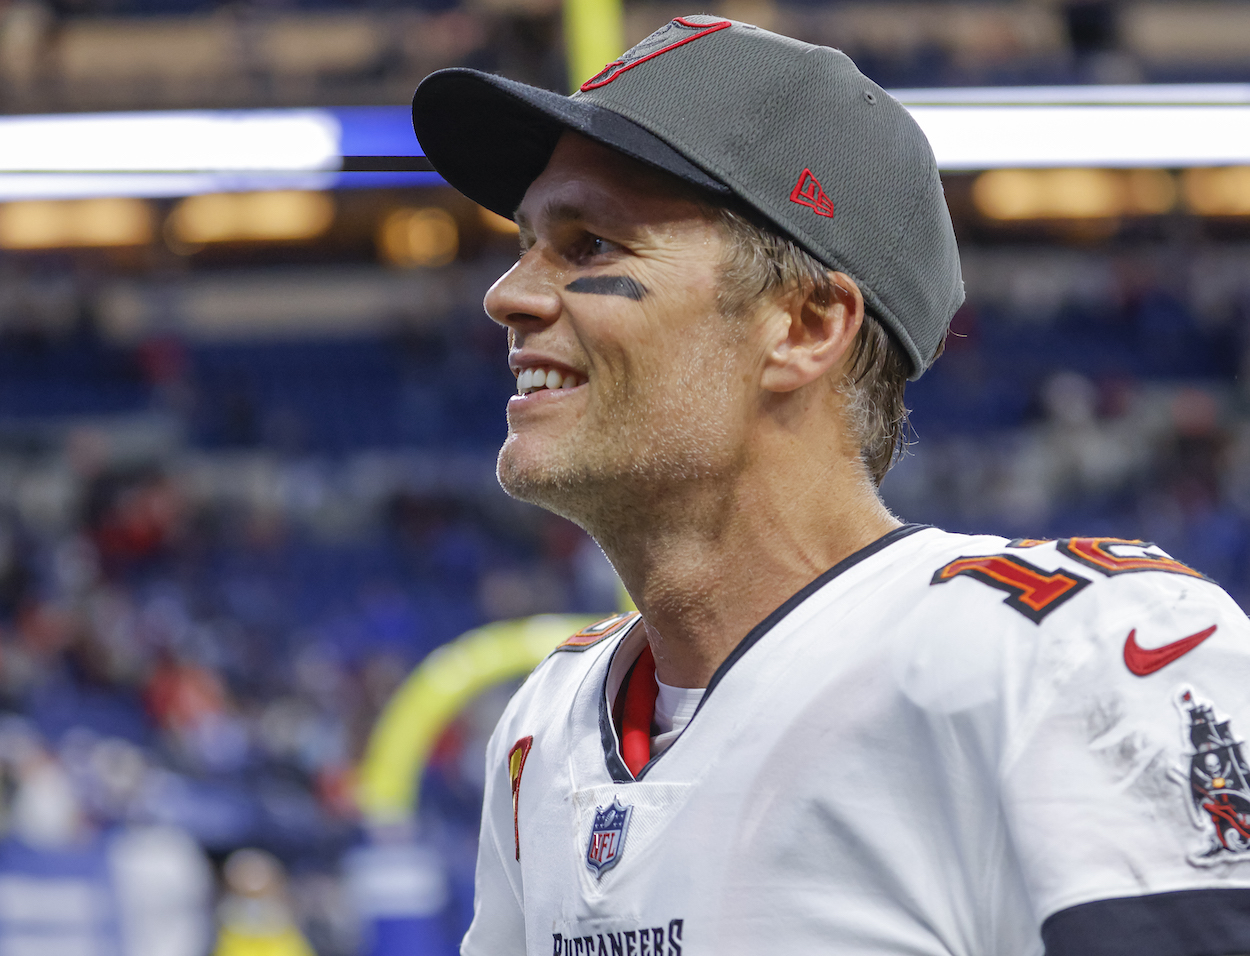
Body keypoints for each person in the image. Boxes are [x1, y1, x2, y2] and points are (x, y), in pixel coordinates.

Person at [411, 16, 1250, 956]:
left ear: (806, 326)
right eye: (526, 242)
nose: (508, 294)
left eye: (590, 246)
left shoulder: (1070, 656)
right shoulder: (542, 725)